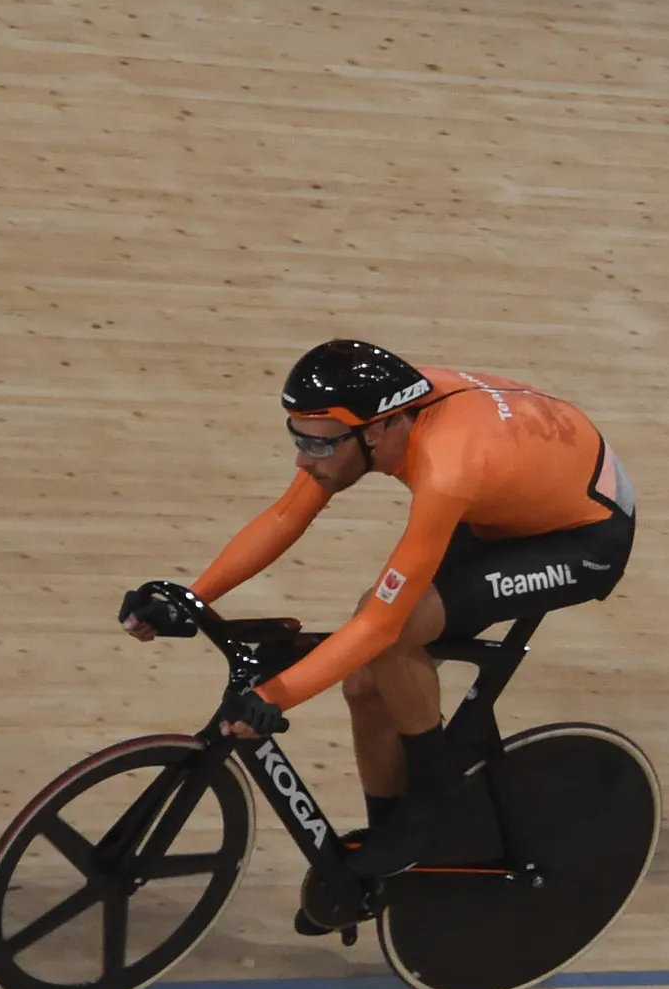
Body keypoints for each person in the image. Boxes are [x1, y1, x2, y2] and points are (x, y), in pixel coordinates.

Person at [133, 341, 633, 933]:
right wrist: (194, 598)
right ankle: (383, 853)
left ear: (382, 429)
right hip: (511, 503)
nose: (304, 459)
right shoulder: (370, 418)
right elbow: (284, 516)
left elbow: (381, 625)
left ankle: (436, 793)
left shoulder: (445, 466)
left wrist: (275, 697)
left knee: (389, 629)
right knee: (363, 681)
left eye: (319, 443)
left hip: (582, 538)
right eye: (297, 437)